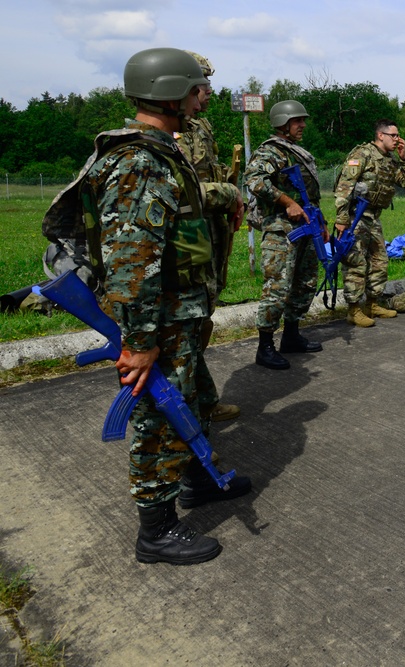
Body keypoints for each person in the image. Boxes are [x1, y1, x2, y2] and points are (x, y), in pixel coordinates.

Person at [84, 48, 251, 564]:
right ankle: (156, 531)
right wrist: (138, 342)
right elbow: (133, 266)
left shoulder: (163, 152)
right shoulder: (138, 162)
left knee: (194, 396)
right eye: (196, 87)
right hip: (159, 320)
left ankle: (198, 479)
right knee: (159, 415)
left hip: (180, 315)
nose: (203, 95)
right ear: (172, 92)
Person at [175, 51, 243, 421]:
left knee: (204, 319)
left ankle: (203, 400)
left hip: (211, 237)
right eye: (202, 84)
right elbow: (182, 190)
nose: (209, 92)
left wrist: (230, 197)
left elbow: (209, 175)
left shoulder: (201, 128)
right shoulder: (170, 129)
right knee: (189, 327)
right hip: (187, 244)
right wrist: (229, 194)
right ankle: (189, 412)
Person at [245, 99, 326, 370]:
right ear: (283, 123)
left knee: (304, 283)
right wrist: (286, 202)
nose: (302, 125)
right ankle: (264, 347)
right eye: (297, 121)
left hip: (306, 228)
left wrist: (321, 223)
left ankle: (291, 336)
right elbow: (254, 180)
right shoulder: (272, 152)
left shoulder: (295, 151)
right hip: (281, 232)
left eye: (302, 120)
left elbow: (310, 196)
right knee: (277, 288)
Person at [334, 119, 405, 327]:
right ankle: (353, 310)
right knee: (356, 262)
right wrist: (342, 219)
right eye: (394, 136)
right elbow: (345, 186)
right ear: (381, 135)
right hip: (356, 217)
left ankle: (372, 303)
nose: (398, 139)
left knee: (380, 261)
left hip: (374, 218)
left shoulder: (390, 160)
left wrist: (404, 157)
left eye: (398, 136)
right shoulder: (362, 154)